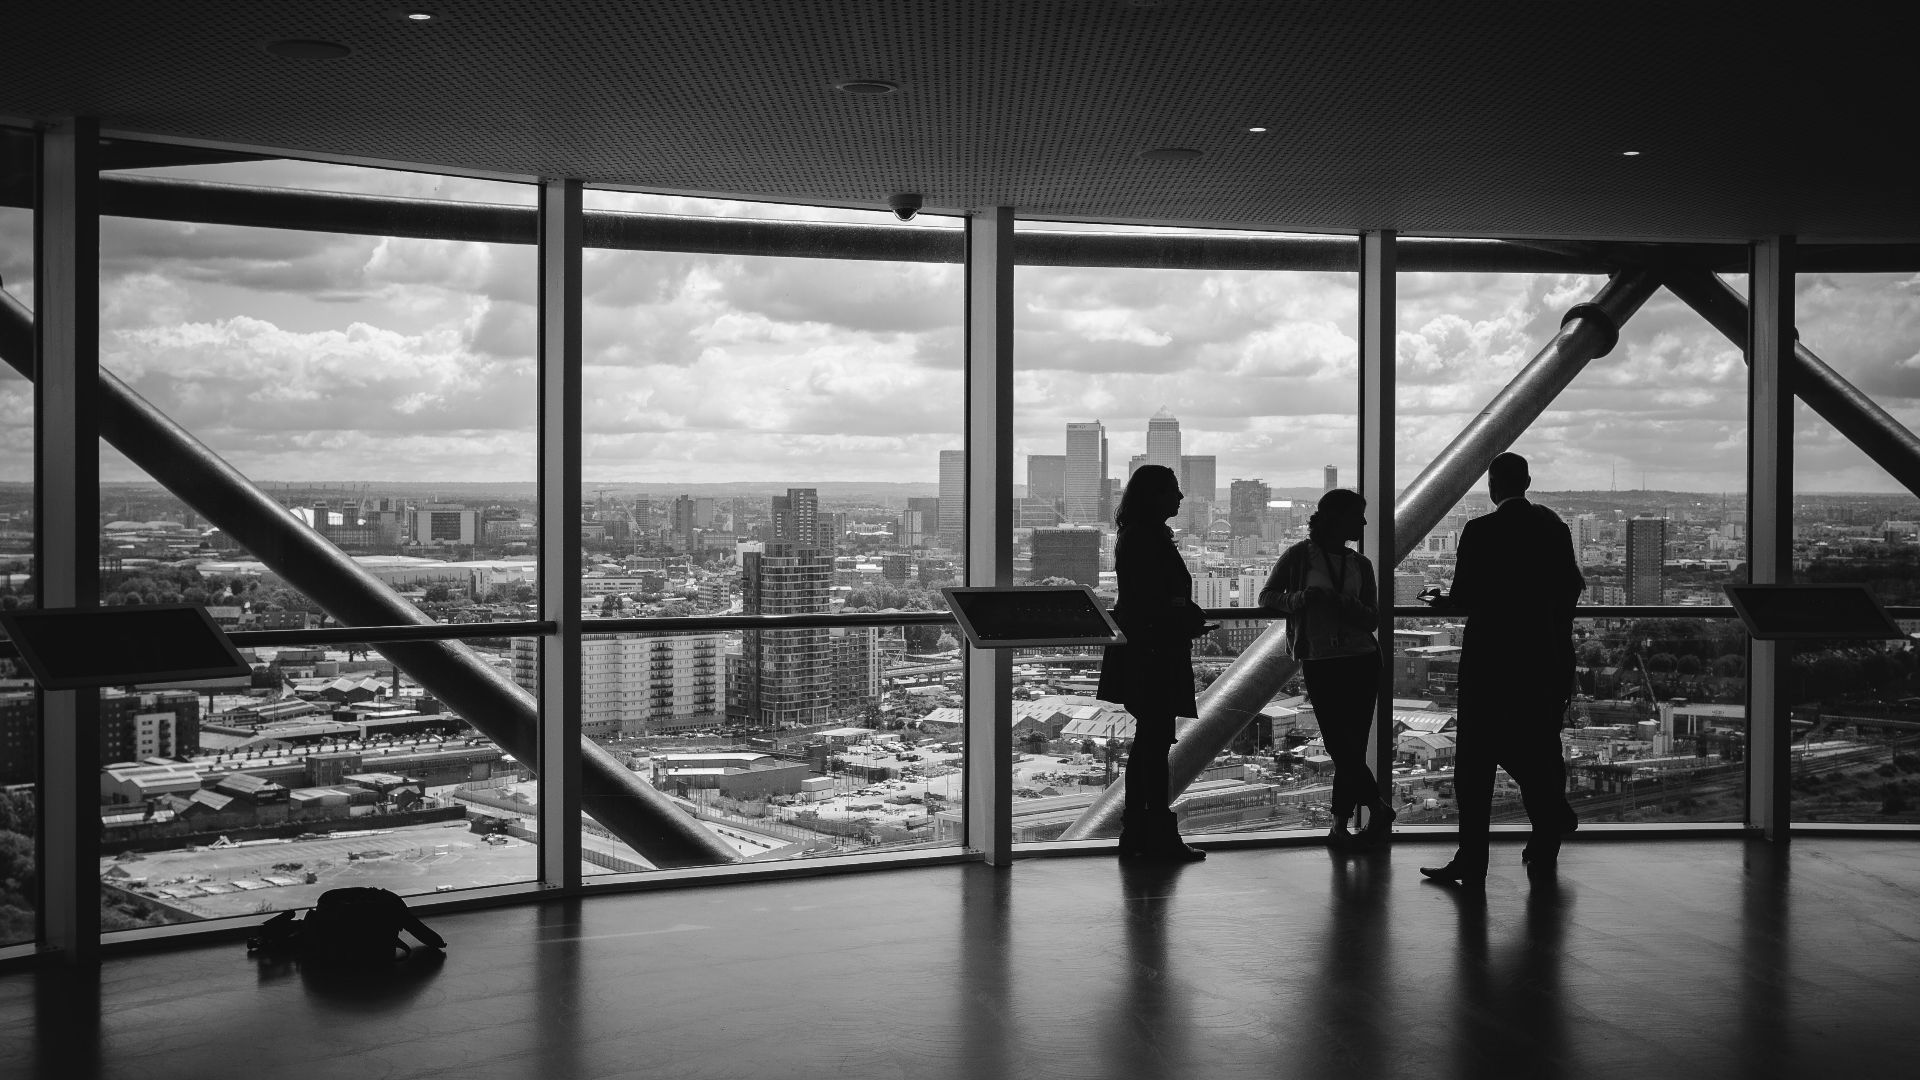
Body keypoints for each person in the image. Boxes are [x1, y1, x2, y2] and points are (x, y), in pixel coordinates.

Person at [1419, 452, 1585, 886]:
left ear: (1493, 487)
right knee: (1538, 744)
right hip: (1543, 659)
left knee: (1475, 764)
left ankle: (1473, 860)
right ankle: (1547, 835)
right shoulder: (1555, 530)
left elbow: (1467, 596)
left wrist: (1442, 603)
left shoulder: (1480, 530)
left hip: (1491, 660)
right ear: (1527, 481)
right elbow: (1571, 588)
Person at [1260, 489, 1393, 850]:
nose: (1364, 523)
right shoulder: (1300, 557)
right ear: (1337, 519)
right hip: (1328, 660)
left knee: (1347, 746)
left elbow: (1372, 618)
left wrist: (1338, 602)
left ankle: (1339, 825)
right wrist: (1301, 599)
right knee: (1342, 745)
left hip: (1358, 659)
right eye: (1357, 516)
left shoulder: (1359, 564)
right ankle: (1377, 808)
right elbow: (1268, 597)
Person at [1096, 464, 1210, 861]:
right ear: (1155, 496)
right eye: (1174, 491)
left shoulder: (1135, 536)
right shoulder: (1148, 538)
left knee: (1150, 743)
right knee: (1154, 744)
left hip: (1143, 649)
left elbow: (1145, 597)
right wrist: (1184, 617)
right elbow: (1156, 599)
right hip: (1154, 652)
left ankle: (1140, 832)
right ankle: (1154, 833)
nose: (1180, 498)